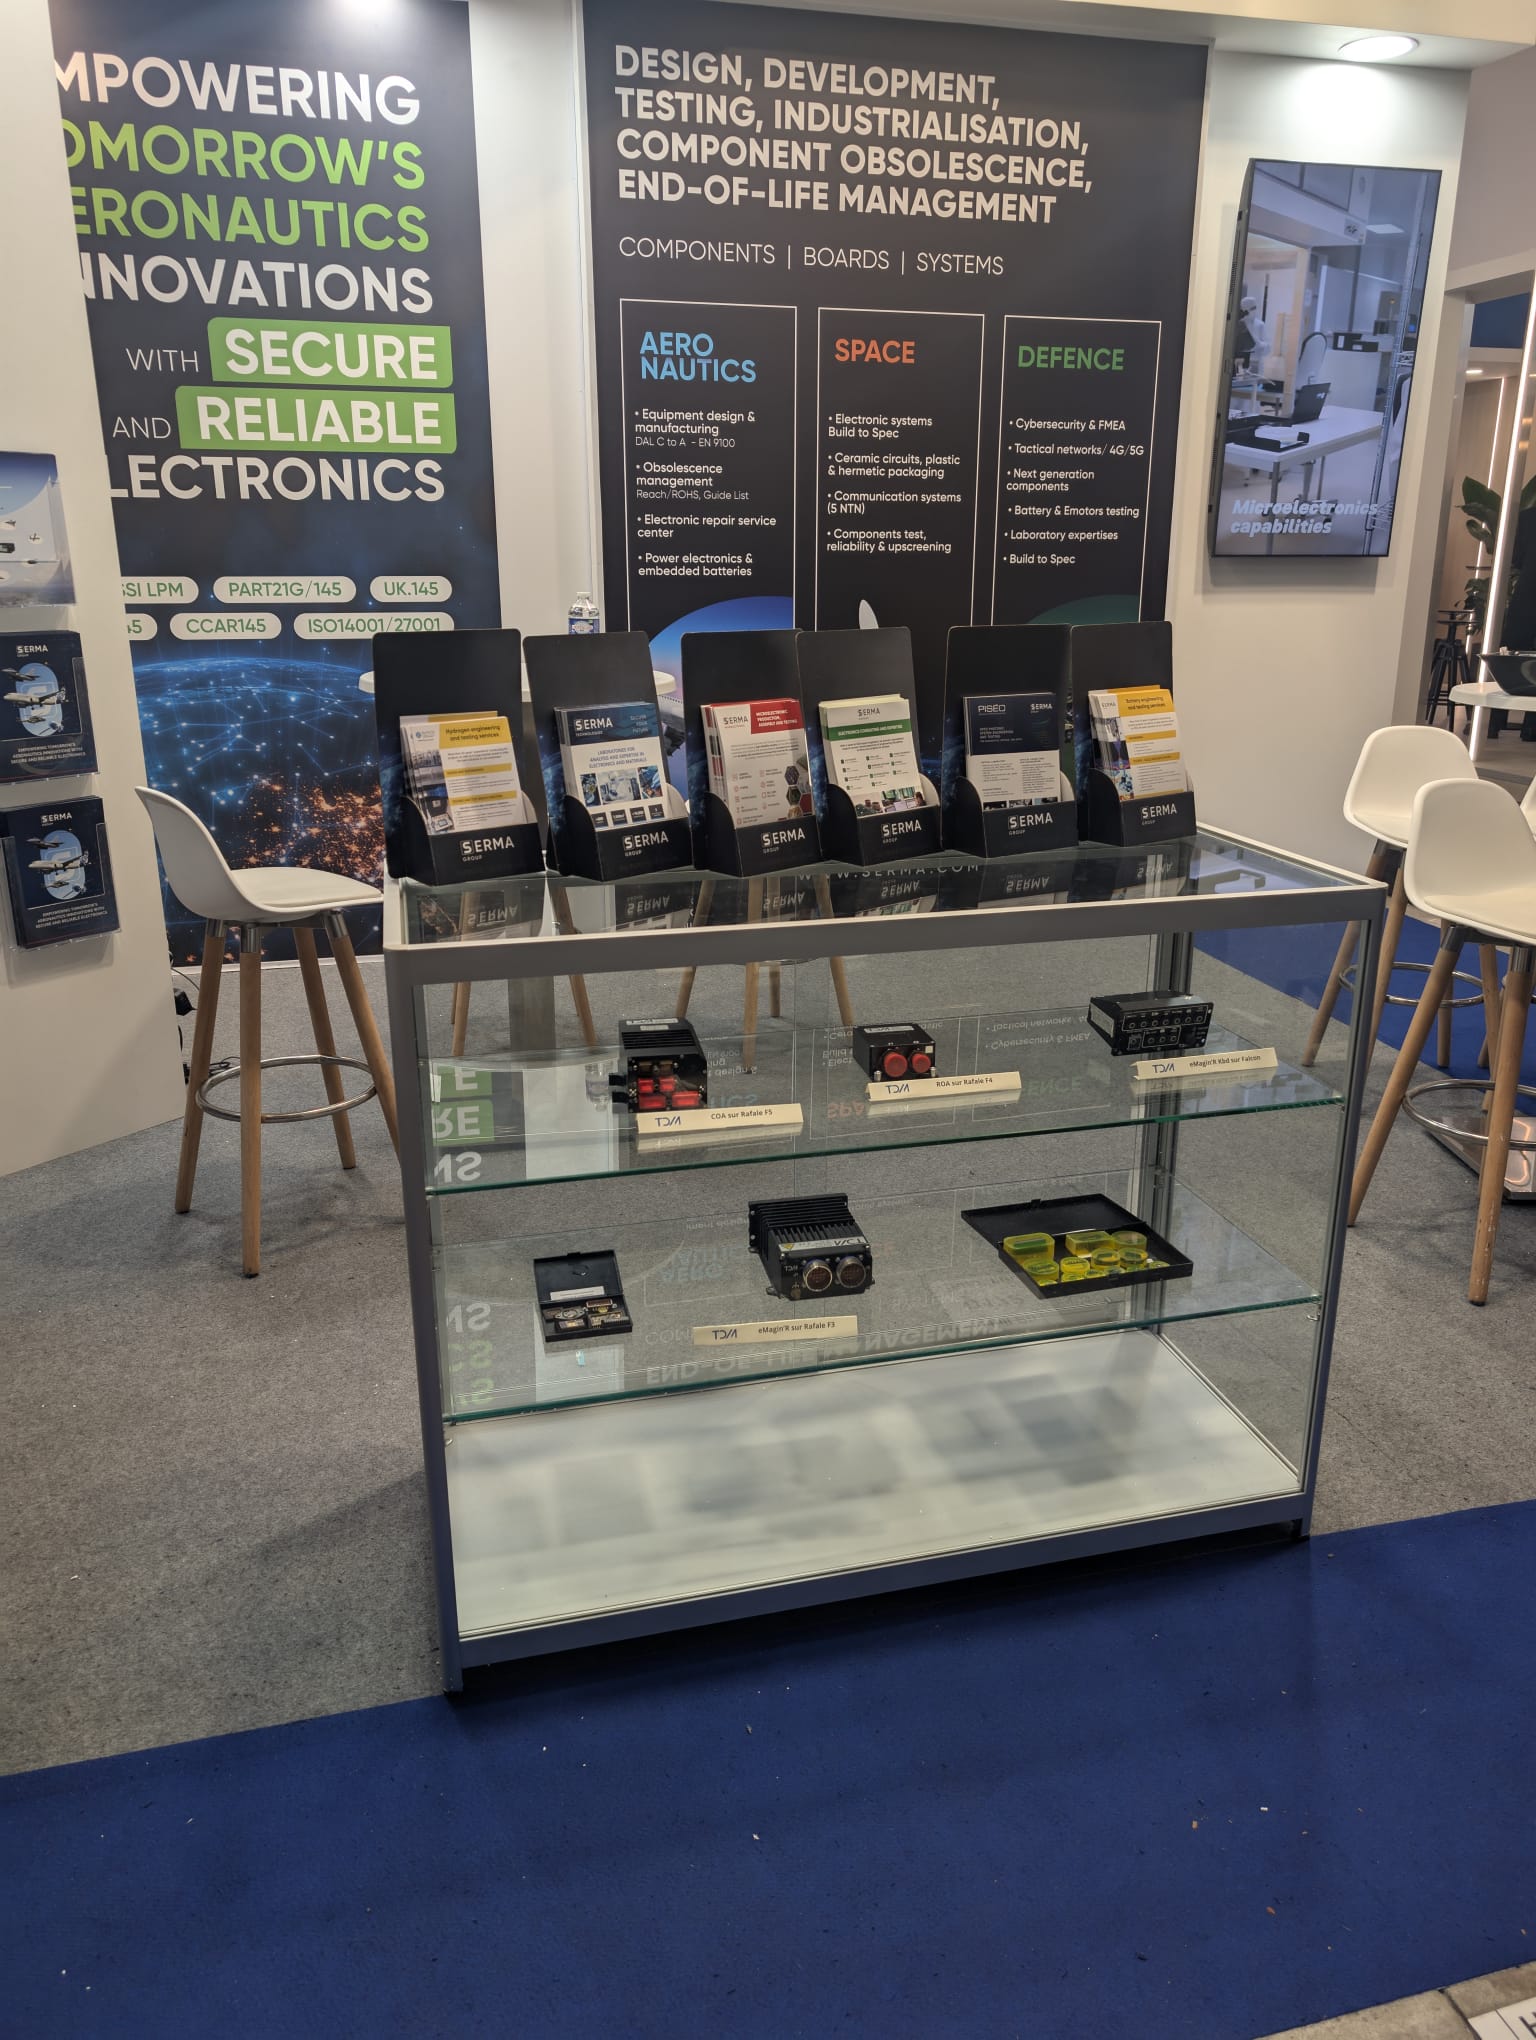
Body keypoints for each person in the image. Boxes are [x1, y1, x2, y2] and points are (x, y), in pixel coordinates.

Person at [1233, 293, 1271, 370]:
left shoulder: (1260, 325)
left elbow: (1268, 348)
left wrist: (1259, 344)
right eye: (1251, 308)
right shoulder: (1238, 324)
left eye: (1254, 308)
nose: (1254, 311)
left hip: (1255, 363)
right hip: (1237, 362)